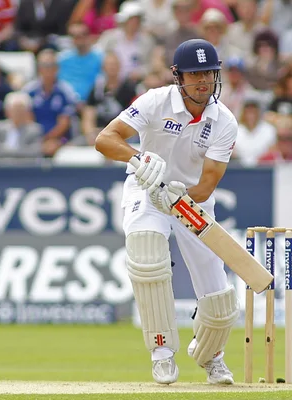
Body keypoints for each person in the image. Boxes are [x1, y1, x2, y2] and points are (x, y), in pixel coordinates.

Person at [94, 39, 239, 385]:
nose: (203, 80)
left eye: (209, 72)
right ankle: (161, 353)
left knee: (219, 302)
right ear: (179, 76)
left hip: (191, 201)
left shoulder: (224, 121)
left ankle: (211, 356)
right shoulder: (155, 101)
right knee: (146, 251)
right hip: (146, 189)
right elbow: (105, 139)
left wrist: (179, 196)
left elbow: (206, 186)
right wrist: (137, 158)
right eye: (195, 73)